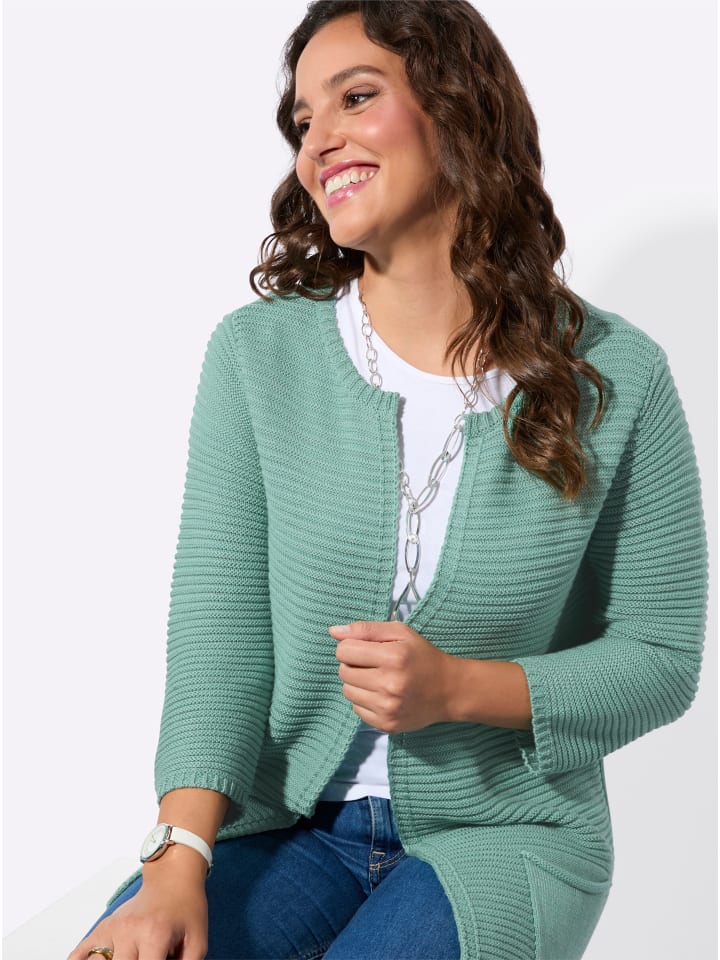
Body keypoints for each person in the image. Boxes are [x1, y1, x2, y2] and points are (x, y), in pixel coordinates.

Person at [69, 2, 708, 959]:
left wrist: (459, 688)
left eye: (356, 98)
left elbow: (660, 659)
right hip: (283, 825)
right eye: (303, 122)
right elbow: (219, 639)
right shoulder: (259, 358)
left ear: (458, 108)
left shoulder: (614, 376)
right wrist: (176, 859)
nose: (318, 142)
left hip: (507, 832)